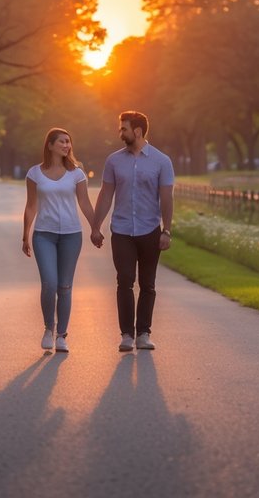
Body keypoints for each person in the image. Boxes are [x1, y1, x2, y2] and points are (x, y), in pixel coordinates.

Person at [90, 110, 175, 352]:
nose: (120, 133)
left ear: (137, 131)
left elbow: (167, 198)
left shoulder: (162, 161)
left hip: (150, 230)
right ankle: (127, 334)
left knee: (148, 284)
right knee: (125, 280)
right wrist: (96, 226)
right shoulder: (114, 161)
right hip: (123, 230)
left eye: (123, 128)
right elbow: (106, 195)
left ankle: (143, 334)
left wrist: (166, 230)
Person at [22, 127, 96, 353]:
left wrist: (95, 228)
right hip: (44, 234)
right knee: (49, 283)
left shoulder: (77, 174)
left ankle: (62, 335)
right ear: (50, 145)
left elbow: (84, 203)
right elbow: (31, 205)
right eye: (62, 142)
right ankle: (48, 328)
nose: (67, 145)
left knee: (64, 286)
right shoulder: (34, 173)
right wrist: (25, 234)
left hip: (71, 235)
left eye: (69, 142)